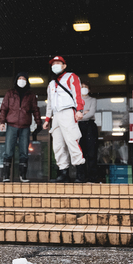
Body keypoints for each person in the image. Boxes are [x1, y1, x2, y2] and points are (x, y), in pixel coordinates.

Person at [42, 55, 86, 183]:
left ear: (64, 65)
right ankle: (63, 173)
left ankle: (80, 173)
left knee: (72, 140)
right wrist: (47, 119)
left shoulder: (72, 76)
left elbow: (77, 94)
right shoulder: (51, 83)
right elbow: (49, 103)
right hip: (56, 115)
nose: (55, 65)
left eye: (58, 63)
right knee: (58, 145)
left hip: (68, 112)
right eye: (53, 63)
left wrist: (79, 110)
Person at [0, 72, 41, 182]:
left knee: (24, 151)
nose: (21, 80)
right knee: (8, 150)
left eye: (23, 79)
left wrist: (39, 122)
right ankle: (6, 176)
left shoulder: (30, 95)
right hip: (11, 125)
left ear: (27, 81)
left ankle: (23, 176)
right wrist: (2, 122)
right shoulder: (10, 93)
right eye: (19, 78)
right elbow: (4, 108)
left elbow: (35, 110)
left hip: (25, 126)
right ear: (16, 80)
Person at [77, 85, 98, 182]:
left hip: (90, 126)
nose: (84, 88)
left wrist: (81, 114)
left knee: (91, 152)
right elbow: (74, 113)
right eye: (81, 86)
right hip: (78, 126)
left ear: (89, 89)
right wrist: (84, 113)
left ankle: (92, 177)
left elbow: (92, 113)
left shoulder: (93, 100)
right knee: (80, 152)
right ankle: (81, 177)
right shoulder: (76, 100)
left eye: (85, 87)